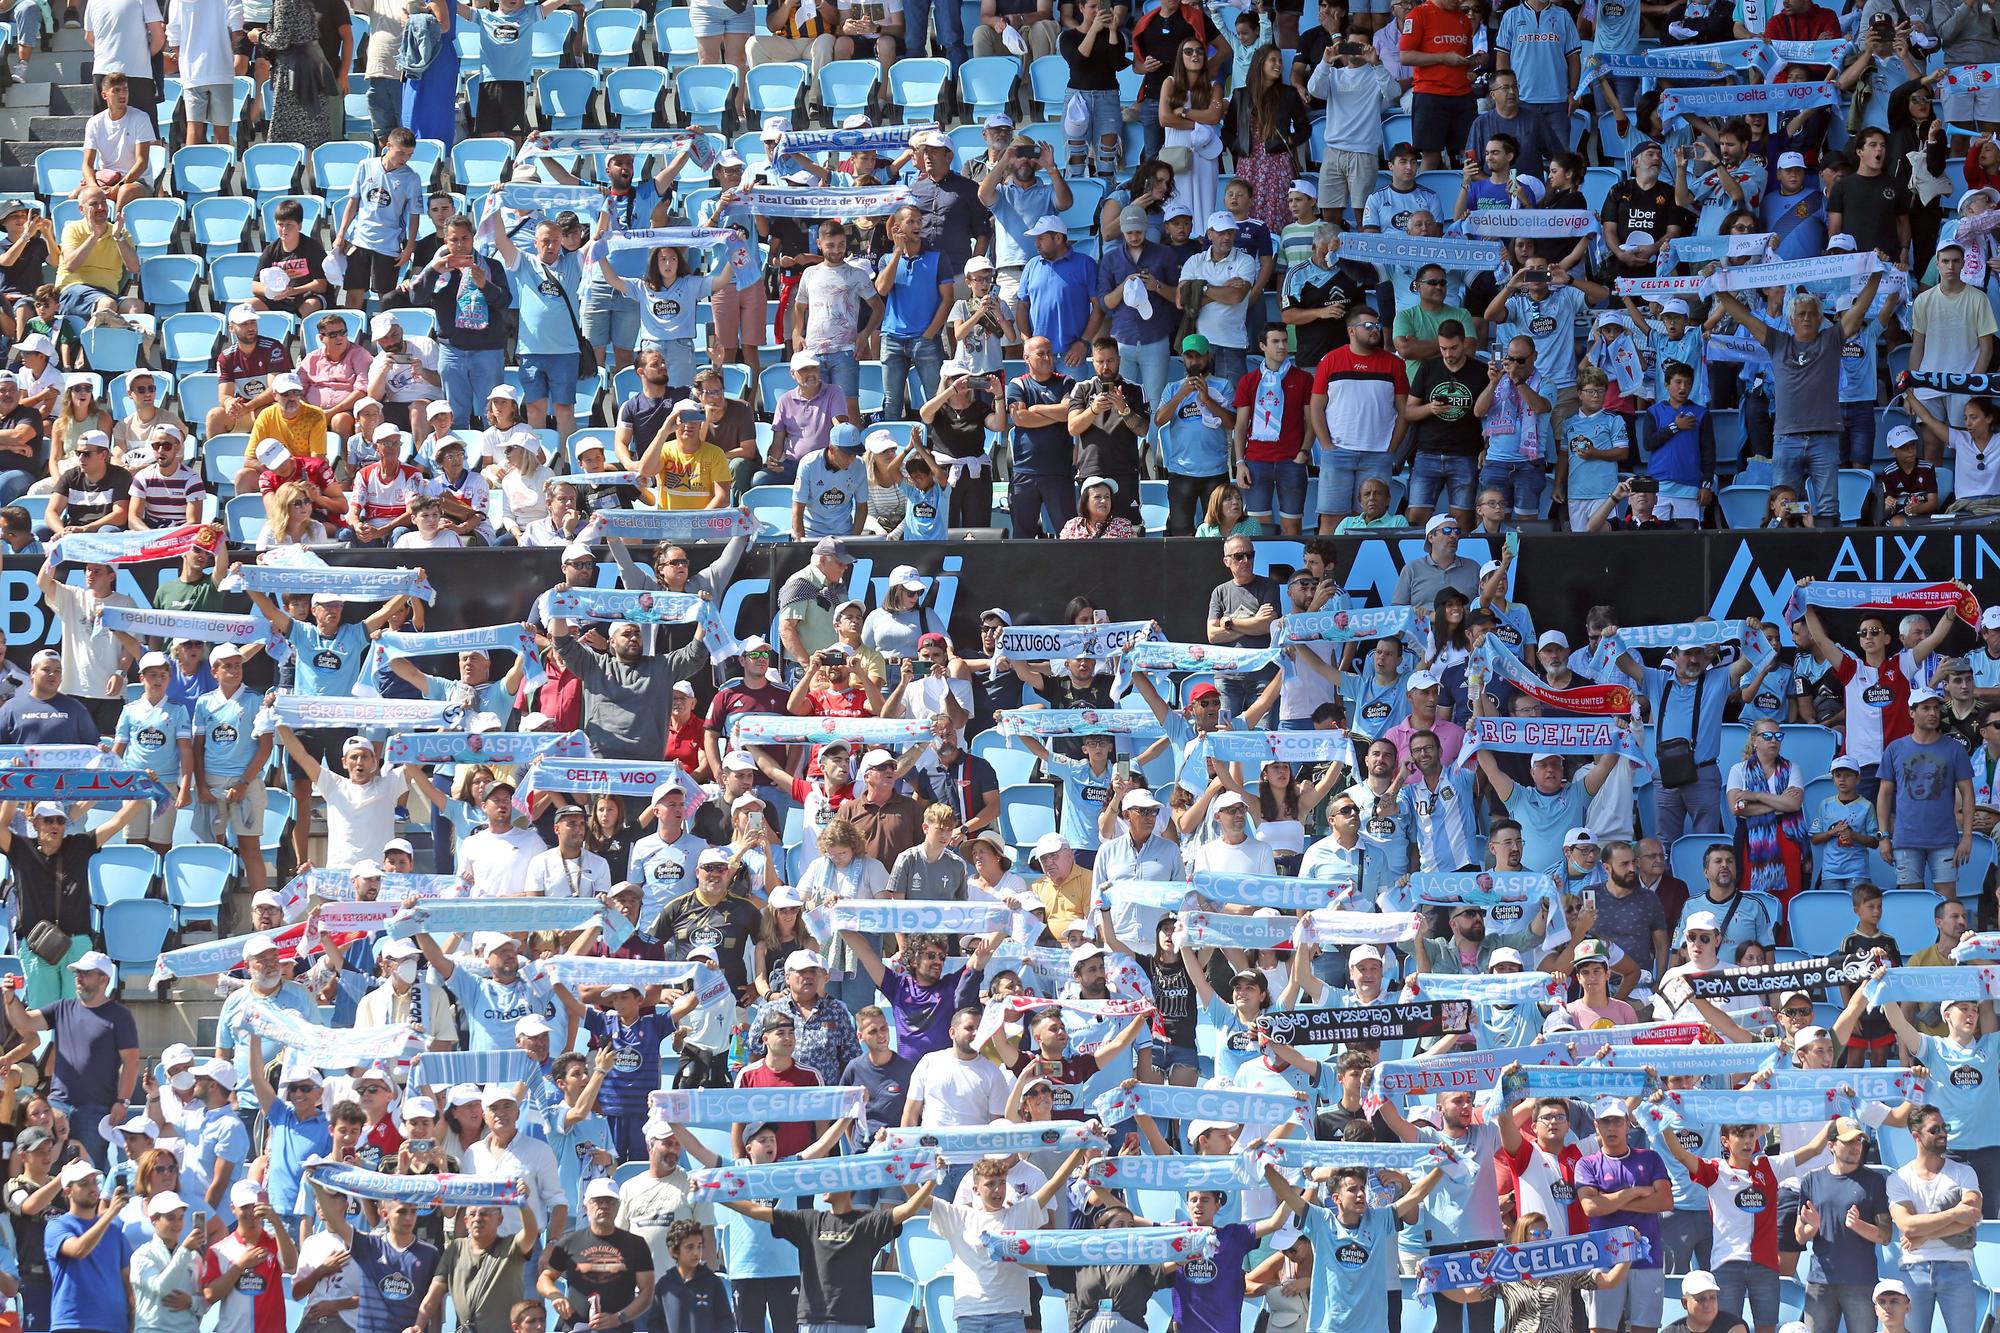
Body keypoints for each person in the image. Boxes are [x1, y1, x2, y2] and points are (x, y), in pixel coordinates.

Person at [0, 950, 138, 1170]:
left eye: (85, 973)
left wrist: (123, 1101)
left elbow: (131, 1062)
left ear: (103, 979)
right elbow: (24, 1022)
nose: (78, 978)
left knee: (90, 1173)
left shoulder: (120, 1016)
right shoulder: (62, 1007)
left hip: (96, 1109)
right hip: (56, 1105)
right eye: (77, 973)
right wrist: (10, 999)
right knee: (47, 1169)